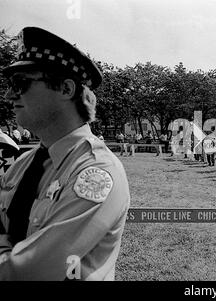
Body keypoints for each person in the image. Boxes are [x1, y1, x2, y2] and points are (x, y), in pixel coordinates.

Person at [0, 27, 130, 280]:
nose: (8, 95)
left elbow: (30, 272)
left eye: (21, 83)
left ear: (65, 89)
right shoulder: (22, 165)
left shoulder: (96, 172)